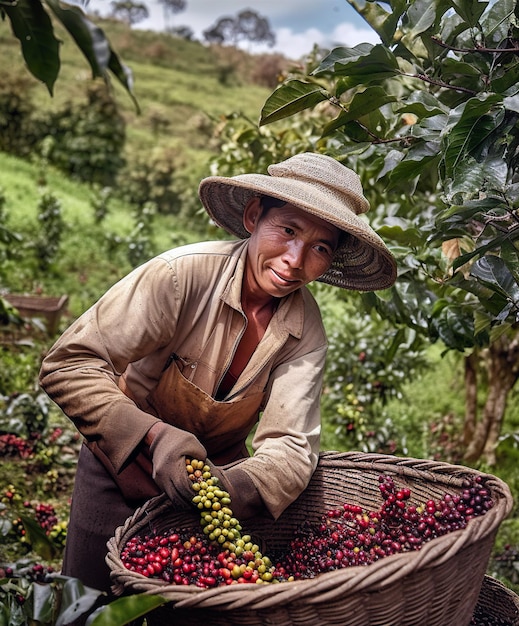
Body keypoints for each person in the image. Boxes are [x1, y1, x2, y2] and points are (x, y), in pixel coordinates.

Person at [38, 152, 397, 595]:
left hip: (213, 481)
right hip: (123, 460)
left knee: (191, 606)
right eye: (287, 230)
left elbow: (291, 445)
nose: (294, 259)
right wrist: (155, 435)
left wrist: (229, 486)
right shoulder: (179, 276)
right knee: (87, 602)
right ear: (252, 216)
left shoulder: (305, 331)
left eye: (320, 248)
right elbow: (69, 361)